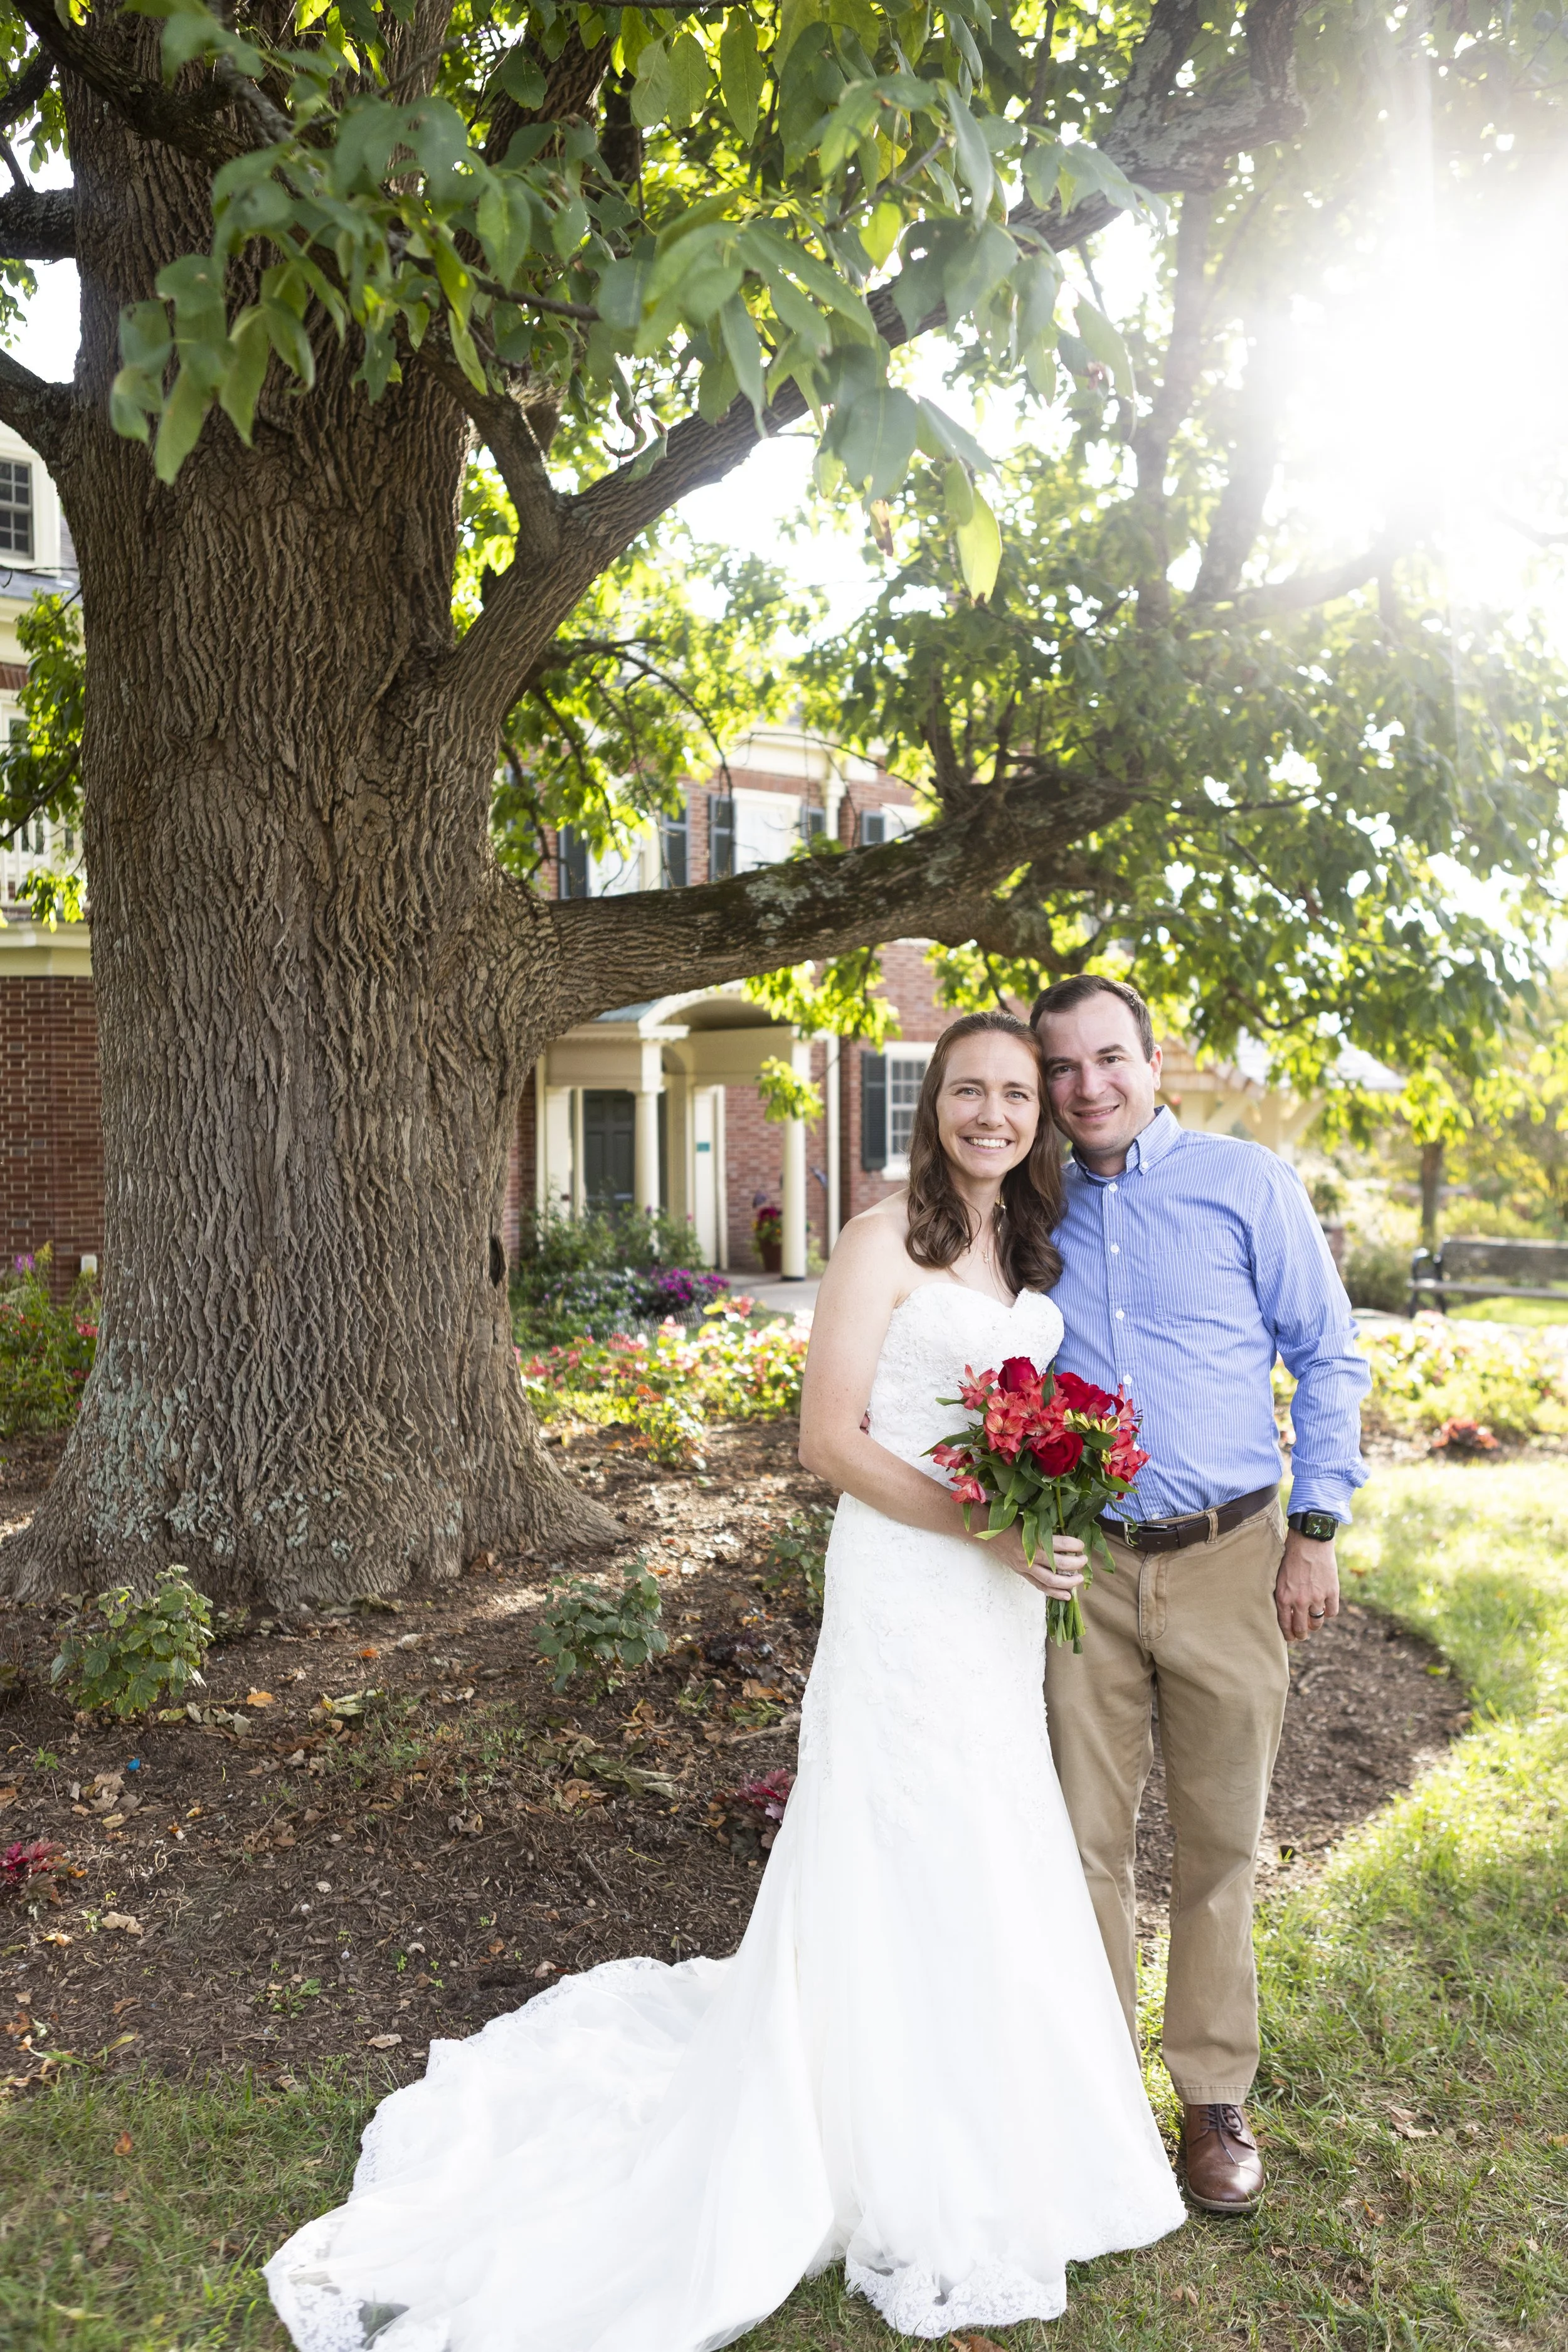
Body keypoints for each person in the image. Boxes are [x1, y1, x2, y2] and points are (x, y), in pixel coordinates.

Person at [265, 1010, 1183, 2352]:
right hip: (909, 1586)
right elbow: (829, 1442)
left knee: (986, 1831)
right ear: (928, 1107)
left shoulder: (1018, 1243)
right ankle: (851, 2123)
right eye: (965, 1091)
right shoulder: (882, 1239)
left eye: (1012, 1093)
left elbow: (1004, 1435)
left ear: (1038, 1116)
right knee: (890, 1826)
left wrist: (1035, 1521)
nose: (992, 1113)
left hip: (989, 1605)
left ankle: (991, 2110)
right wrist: (987, 1529)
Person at [1033, 973, 1370, 2218]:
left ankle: (1211, 2099)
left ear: (1149, 1056)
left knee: (1221, 1845)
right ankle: (1093, 2092)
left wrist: (1314, 1528)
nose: (1086, 1088)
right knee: (1082, 1842)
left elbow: (1326, 1353)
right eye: (1060, 1068)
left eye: (1106, 1059)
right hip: (1086, 1563)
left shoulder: (1243, 1183)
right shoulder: (1030, 1200)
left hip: (1234, 1554)